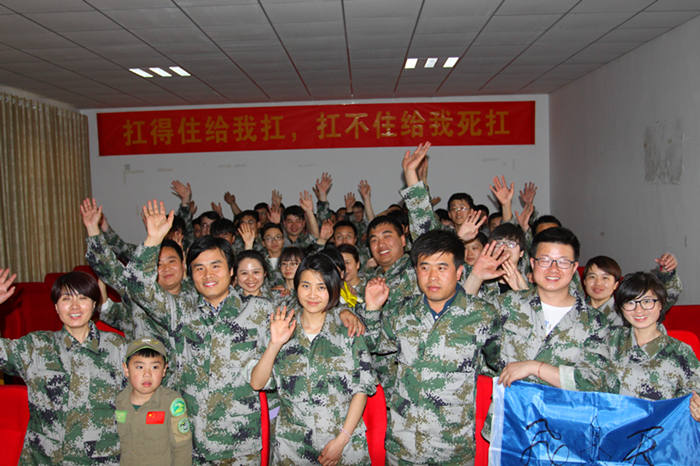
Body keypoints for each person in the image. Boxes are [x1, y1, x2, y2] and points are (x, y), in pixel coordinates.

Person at [122, 200, 273, 465]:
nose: (207, 274)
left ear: (231, 271)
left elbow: (309, 311)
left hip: (239, 444)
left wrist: (344, 312)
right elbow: (137, 288)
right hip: (190, 442)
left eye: (215, 266)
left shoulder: (260, 310)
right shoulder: (181, 311)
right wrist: (153, 240)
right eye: (199, 268)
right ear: (190, 274)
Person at [364, 230, 500, 465]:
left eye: (442, 268)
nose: (432, 277)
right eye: (425, 268)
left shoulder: (482, 315)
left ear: (459, 272)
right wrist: (372, 309)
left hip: (453, 449)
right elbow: (374, 346)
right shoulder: (402, 312)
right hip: (403, 447)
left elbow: (502, 367)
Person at [248, 254, 375, 466]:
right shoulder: (282, 325)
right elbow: (257, 383)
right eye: (306, 286)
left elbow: (361, 388)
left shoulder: (348, 328)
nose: (313, 295)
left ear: (333, 289)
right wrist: (275, 344)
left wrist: (342, 440)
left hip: (344, 445)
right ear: (297, 287)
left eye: (321, 287)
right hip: (292, 448)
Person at [0, 270, 126, 465]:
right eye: (66, 298)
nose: (75, 306)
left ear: (94, 304)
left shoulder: (117, 347)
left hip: (104, 459)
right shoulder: (37, 346)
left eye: (82, 298)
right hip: (47, 459)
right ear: (56, 307)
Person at [605, 272, 700, 419]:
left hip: (661, 431)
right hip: (611, 428)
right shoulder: (608, 341)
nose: (639, 310)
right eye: (630, 302)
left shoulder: (681, 353)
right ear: (621, 307)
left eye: (647, 301)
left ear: (661, 304)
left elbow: (695, 396)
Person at [116, 337, 192, 466]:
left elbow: (182, 447)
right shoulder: (119, 401)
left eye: (155, 367)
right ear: (126, 369)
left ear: (164, 370)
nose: (147, 374)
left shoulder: (171, 402)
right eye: (140, 367)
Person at [583, 253, 682, 326]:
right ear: (584, 282)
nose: (598, 283)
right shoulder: (576, 310)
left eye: (605, 278)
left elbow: (666, 295)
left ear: (616, 285)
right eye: (592, 277)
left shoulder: (628, 311)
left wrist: (666, 272)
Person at [259, 223, 286, 288]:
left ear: (283, 240)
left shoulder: (291, 258)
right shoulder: (259, 261)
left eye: (278, 237)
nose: (274, 241)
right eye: (269, 238)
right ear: (263, 243)